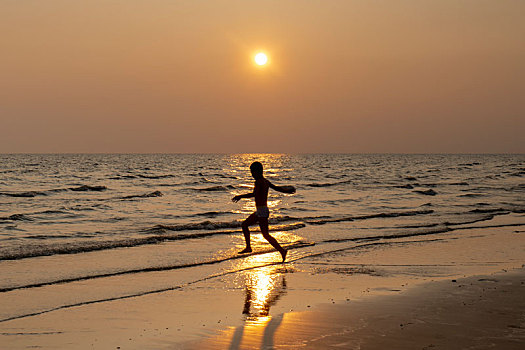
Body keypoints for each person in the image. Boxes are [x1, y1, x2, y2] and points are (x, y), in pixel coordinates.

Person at [232, 161, 296, 262]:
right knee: (265, 234)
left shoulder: (258, 182)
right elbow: (277, 188)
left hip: (261, 211)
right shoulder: (266, 181)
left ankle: (249, 247)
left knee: (246, 226)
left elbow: (254, 194)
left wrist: (240, 196)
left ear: (258, 171)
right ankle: (281, 251)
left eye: (253, 172)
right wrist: (287, 191)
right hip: (263, 210)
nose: (252, 174)